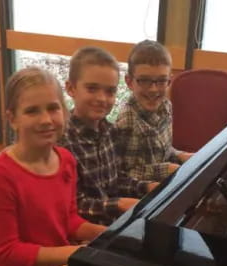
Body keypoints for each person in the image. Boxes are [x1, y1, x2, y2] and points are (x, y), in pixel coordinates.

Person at [0, 67, 106, 266]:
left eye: (53, 108)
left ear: (64, 111)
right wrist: (75, 253)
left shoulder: (66, 160)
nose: (46, 119)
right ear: (12, 118)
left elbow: (68, 220)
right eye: (32, 111)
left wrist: (106, 234)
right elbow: (7, 253)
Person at [60, 46, 157, 225]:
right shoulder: (62, 141)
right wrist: (118, 204)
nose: (102, 99)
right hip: (86, 233)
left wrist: (145, 186)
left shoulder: (111, 131)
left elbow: (115, 179)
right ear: (70, 88)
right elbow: (71, 206)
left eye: (110, 91)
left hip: (114, 222)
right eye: (92, 89)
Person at [116, 40, 193, 182]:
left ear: (169, 81)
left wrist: (181, 155)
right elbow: (123, 174)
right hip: (142, 195)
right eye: (144, 80)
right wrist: (166, 169)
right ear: (129, 82)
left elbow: (163, 150)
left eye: (161, 81)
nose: (153, 89)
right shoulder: (128, 122)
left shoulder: (165, 106)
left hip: (165, 182)